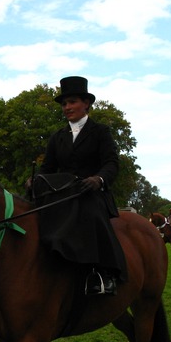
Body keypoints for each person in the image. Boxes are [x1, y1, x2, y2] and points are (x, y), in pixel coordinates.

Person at [36, 76, 126, 295]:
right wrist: (35, 179)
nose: (67, 107)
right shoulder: (57, 137)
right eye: (64, 104)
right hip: (63, 194)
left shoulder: (100, 131)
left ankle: (103, 273)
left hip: (91, 191)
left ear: (86, 104)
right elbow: (47, 168)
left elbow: (111, 163)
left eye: (72, 102)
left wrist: (99, 179)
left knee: (90, 210)